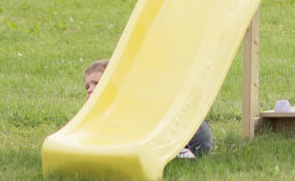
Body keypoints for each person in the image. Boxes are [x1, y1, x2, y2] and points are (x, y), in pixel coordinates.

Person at [84, 60, 212, 159]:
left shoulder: (127, 101)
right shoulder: (98, 112)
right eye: (87, 86)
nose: (90, 89)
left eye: (96, 83)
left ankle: (179, 150)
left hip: (193, 134)